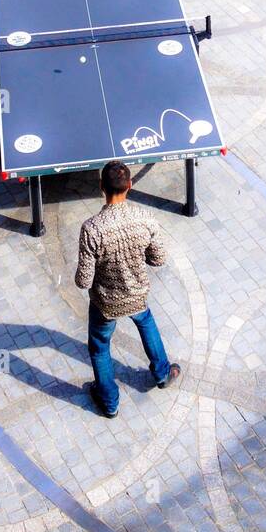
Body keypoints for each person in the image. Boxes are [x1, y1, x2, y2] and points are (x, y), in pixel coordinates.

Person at [75, 161, 181, 418]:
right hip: (137, 295)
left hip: (105, 303)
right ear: (130, 185)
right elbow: (158, 259)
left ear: (102, 187)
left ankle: (109, 402)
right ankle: (162, 373)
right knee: (146, 323)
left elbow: (84, 281)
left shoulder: (92, 229)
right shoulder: (145, 219)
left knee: (100, 347)